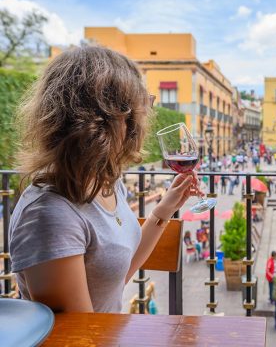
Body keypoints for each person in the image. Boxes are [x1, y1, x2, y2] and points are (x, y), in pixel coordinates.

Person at [8, 46, 201, 313]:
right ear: (99, 121)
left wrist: (165, 208)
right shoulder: (50, 214)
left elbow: (116, 277)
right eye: (135, 111)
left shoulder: (106, 181)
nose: (140, 122)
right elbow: (78, 336)